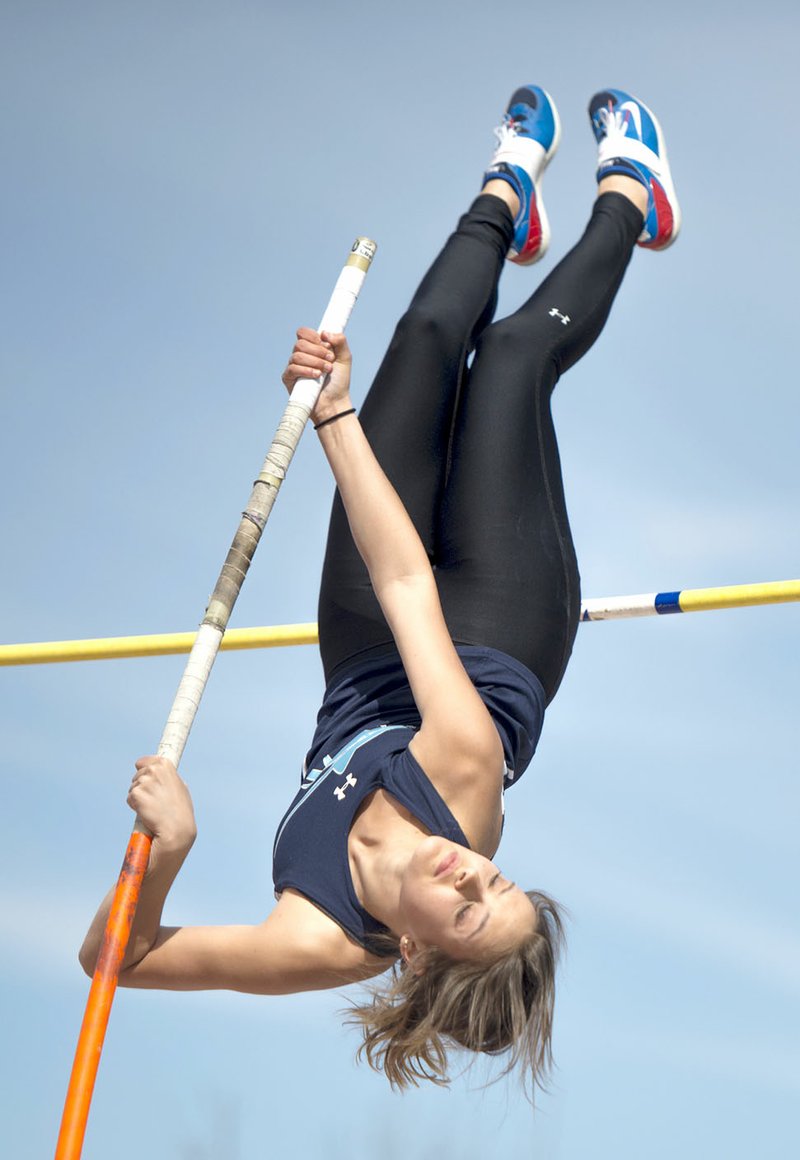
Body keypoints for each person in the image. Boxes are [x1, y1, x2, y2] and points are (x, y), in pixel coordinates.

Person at [80, 85, 680, 1094]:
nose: (469, 870)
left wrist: (172, 847)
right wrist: (332, 415)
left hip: (364, 661)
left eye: (465, 904)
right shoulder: (464, 771)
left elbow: (114, 961)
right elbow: (405, 581)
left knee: (420, 342)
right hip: (497, 630)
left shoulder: (314, 936)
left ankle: (504, 193)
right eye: (493, 879)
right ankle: (632, 196)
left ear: (415, 953)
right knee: (511, 359)